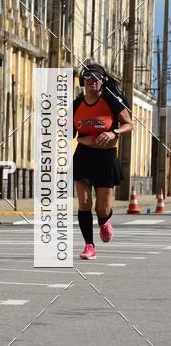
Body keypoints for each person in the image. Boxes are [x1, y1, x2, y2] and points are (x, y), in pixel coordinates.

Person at [73, 62, 133, 260]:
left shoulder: (110, 100)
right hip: (83, 157)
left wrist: (113, 132)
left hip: (106, 158)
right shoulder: (76, 104)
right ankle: (89, 246)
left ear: (102, 81)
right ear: (83, 81)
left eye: (96, 78)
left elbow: (128, 124)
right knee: (84, 202)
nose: (92, 81)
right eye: (88, 78)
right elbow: (69, 134)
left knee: (102, 208)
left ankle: (104, 221)